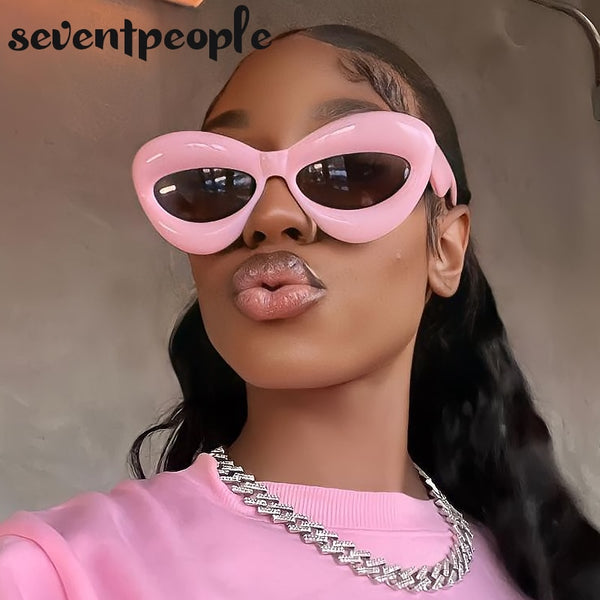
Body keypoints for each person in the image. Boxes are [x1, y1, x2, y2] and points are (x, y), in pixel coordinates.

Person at [1, 23, 599, 600]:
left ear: (444, 248)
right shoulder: (50, 573)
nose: (270, 217)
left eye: (352, 170)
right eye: (220, 183)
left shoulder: (542, 575)